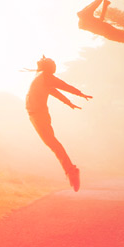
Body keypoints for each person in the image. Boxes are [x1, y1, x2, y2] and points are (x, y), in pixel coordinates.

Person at [26, 55, 92, 192]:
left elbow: (63, 86)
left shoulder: (43, 76)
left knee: (53, 144)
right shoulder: (42, 77)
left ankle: (71, 171)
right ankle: (70, 170)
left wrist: (79, 94)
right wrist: (70, 103)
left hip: (38, 115)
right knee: (52, 144)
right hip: (35, 116)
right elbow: (56, 91)